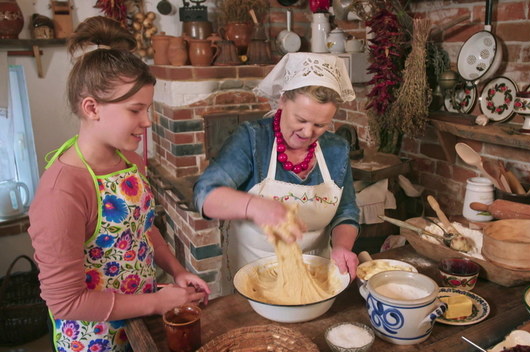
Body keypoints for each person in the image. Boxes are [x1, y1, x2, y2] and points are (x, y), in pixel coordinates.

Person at [28, 16, 209, 352]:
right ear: (92, 108)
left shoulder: (129, 160)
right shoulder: (62, 193)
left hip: (138, 325)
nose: (147, 121)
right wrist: (157, 302)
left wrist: (176, 270)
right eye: (135, 110)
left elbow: (140, 228)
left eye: (148, 108)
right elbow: (65, 302)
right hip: (95, 341)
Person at [193, 53, 361, 288]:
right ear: (283, 100)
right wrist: (254, 206)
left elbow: (346, 211)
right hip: (253, 278)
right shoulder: (253, 139)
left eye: (320, 125)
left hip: (316, 276)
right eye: (300, 119)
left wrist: (343, 247)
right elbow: (204, 195)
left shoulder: (336, 149)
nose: (307, 132)